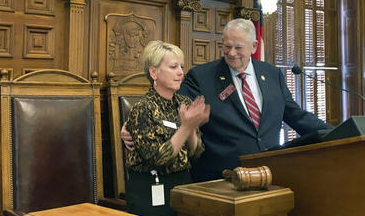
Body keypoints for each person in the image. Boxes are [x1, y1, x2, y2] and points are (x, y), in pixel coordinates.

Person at [123, 18, 333, 182]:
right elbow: (170, 105)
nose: (231, 53)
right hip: (221, 179)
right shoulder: (202, 76)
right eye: (226, 46)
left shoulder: (271, 74)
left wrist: (335, 133)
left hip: (269, 172)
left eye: (238, 47)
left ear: (254, 46)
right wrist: (130, 125)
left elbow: (295, 115)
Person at [124, 40, 210, 216]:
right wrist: (185, 127)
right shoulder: (142, 109)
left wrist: (192, 128)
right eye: (173, 67)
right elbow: (157, 159)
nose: (181, 72)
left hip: (183, 184)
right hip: (150, 190)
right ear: (153, 72)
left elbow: (197, 152)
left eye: (181, 66)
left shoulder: (184, 103)